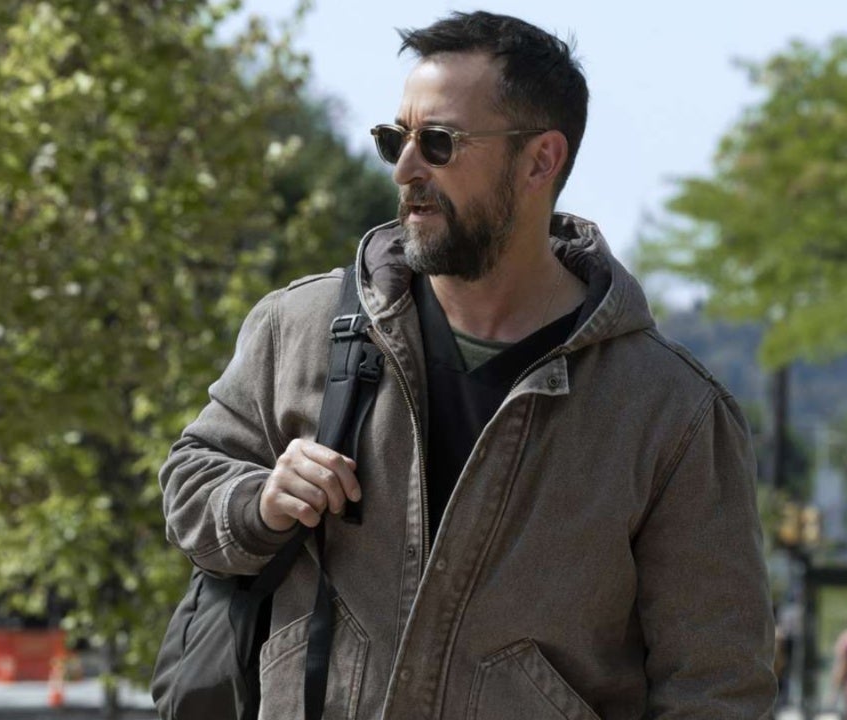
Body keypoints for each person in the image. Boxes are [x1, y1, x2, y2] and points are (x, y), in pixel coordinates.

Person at [159, 10, 776, 719]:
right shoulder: (299, 327)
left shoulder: (672, 413)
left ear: (540, 161)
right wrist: (260, 503)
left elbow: (716, 688)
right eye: (394, 139)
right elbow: (190, 479)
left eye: (438, 143)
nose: (405, 169)